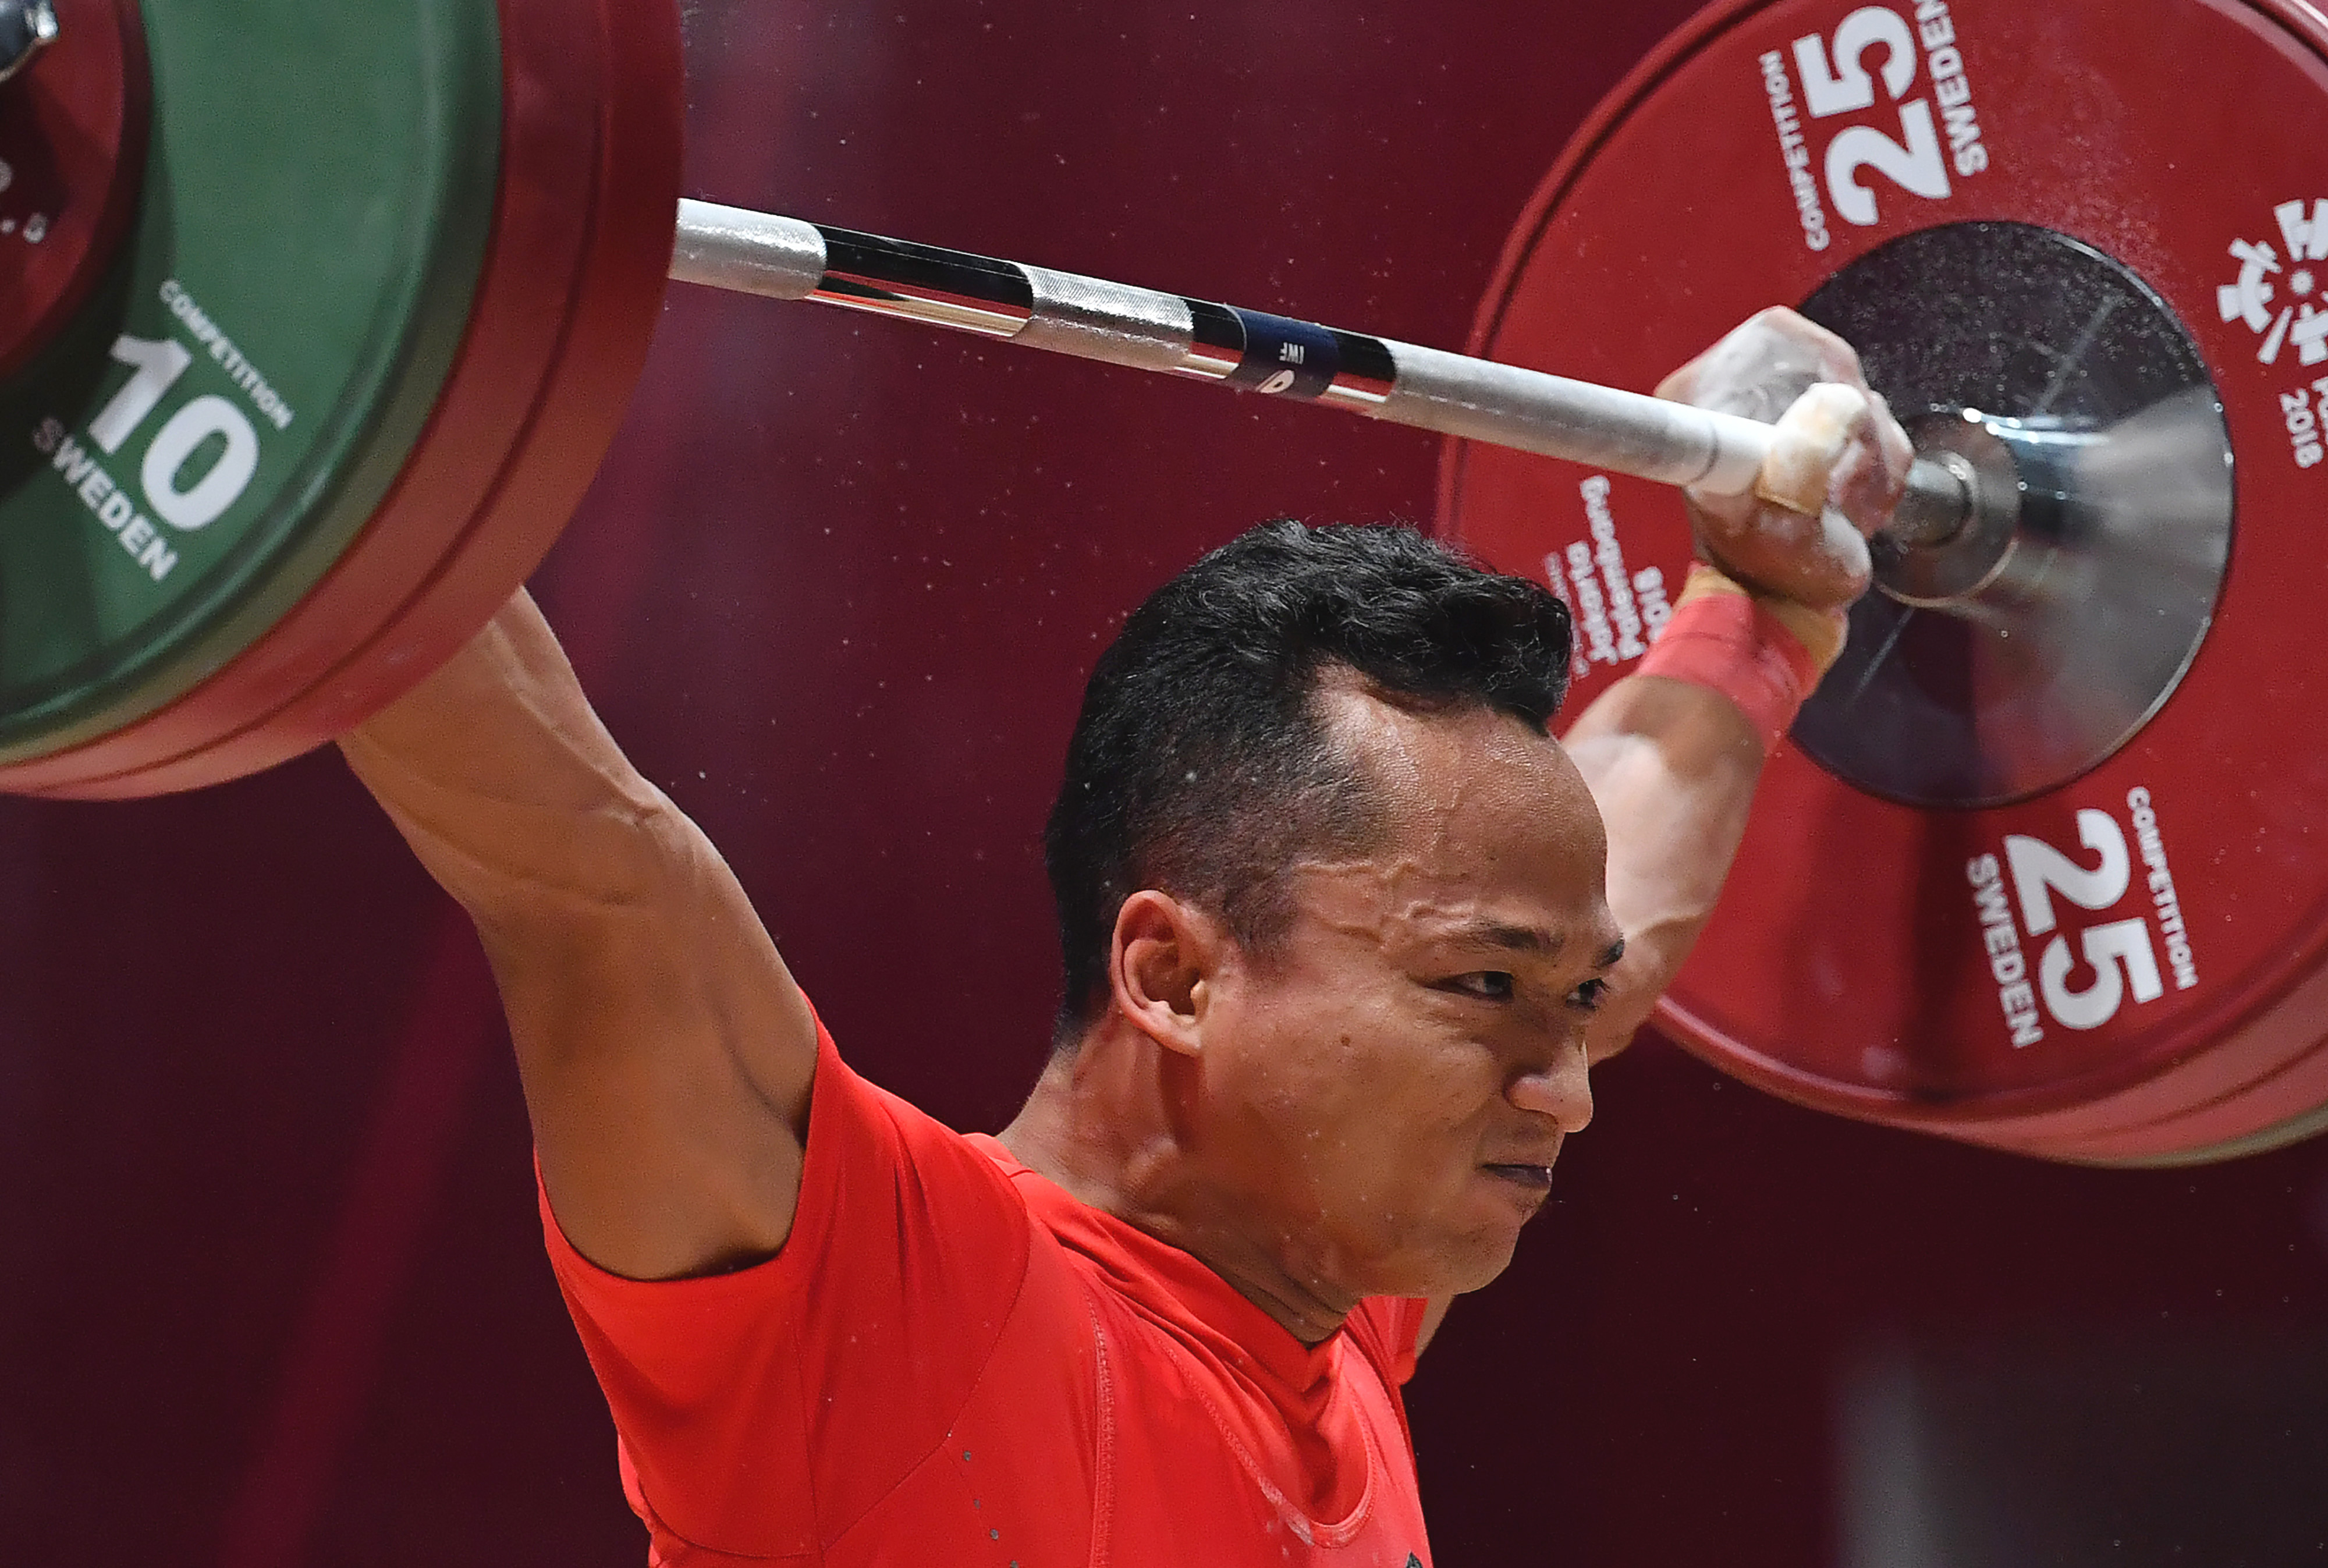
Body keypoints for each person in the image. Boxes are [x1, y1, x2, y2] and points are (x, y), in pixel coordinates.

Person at [338, 307, 1911, 1566]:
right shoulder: (889, 1313)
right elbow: (589, 872)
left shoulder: (1326, 1282)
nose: (1560, 1087)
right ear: (1173, 975)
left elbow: (1604, 931)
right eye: (1488, 989)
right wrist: (288, 397)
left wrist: (1757, 612)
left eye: (1558, 1005)